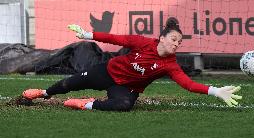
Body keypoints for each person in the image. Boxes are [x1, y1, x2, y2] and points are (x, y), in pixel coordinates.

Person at [22, 20, 242, 111]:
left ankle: (87, 104)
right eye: (174, 39)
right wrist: (88, 34)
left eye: (180, 42)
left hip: (127, 88)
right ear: (162, 38)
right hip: (108, 71)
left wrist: (215, 91)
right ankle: (43, 93)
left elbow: (188, 84)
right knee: (69, 83)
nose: (177, 44)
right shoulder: (144, 43)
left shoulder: (171, 65)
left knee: (125, 105)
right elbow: (117, 39)